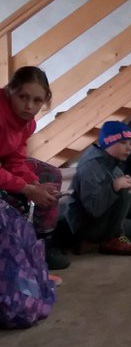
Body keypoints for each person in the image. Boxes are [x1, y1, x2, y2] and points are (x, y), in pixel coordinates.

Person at [0, 66, 68, 271]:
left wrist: (35, 184)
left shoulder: (27, 123)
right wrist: (27, 189)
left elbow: (15, 159)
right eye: (23, 97)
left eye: (37, 101)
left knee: (50, 175)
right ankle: (11, 249)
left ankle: (42, 243)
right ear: (10, 91)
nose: (29, 106)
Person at [60, 121, 131, 255]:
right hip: (86, 227)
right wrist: (115, 187)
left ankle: (104, 241)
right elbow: (93, 210)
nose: (129, 148)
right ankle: (108, 240)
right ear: (108, 143)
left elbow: (124, 212)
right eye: (123, 143)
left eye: (130, 144)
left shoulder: (115, 166)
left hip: (107, 223)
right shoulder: (90, 167)